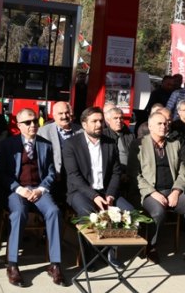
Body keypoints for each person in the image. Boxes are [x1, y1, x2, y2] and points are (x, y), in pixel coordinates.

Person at [0, 108, 64, 287]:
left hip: (38, 189)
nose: (33, 125)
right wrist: (19, 189)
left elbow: (51, 173)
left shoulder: (45, 144)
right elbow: (1, 173)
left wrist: (40, 190)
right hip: (17, 190)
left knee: (54, 212)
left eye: (35, 121)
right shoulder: (8, 145)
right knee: (19, 213)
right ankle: (12, 264)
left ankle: (55, 264)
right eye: (28, 122)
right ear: (19, 125)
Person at [128, 111, 185, 271]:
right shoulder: (139, 144)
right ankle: (152, 247)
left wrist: (177, 191)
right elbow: (134, 174)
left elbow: (183, 171)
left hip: (172, 189)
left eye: (166, 123)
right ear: (150, 126)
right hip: (149, 191)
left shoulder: (174, 144)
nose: (164, 126)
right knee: (158, 212)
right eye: (159, 124)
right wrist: (152, 193)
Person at [64, 107, 133, 270]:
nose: (99, 124)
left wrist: (110, 195)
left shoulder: (110, 143)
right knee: (89, 214)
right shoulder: (71, 144)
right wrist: (94, 196)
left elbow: (116, 172)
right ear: (84, 124)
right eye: (94, 121)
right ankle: (89, 256)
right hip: (80, 191)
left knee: (127, 211)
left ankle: (110, 252)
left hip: (106, 190)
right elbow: (74, 176)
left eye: (101, 121)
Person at [37, 101, 83, 202]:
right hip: (54, 176)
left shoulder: (81, 131)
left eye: (67, 113)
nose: (64, 116)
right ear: (53, 115)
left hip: (76, 176)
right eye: (60, 113)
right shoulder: (43, 132)